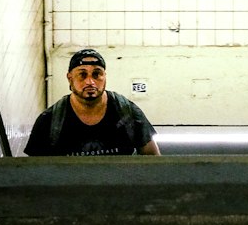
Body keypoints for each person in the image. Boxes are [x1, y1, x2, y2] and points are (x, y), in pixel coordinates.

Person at [24, 48, 160, 157]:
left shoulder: (127, 111)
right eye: (82, 75)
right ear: (70, 78)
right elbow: (35, 173)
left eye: (96, 74)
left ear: (105, 76)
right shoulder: (49, 121)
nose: (90, 82)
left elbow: (153, 159)